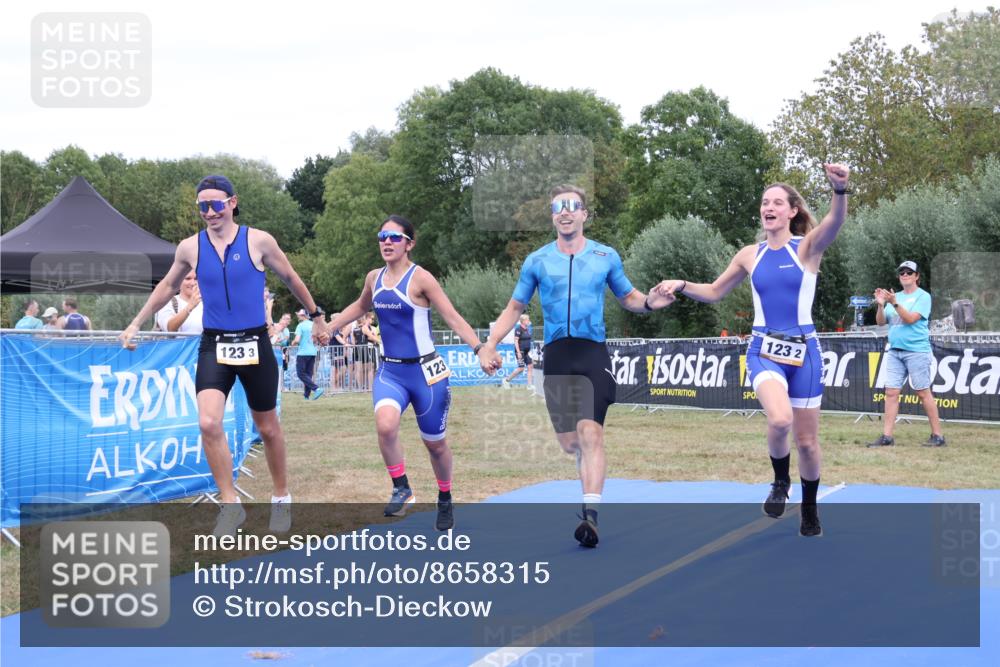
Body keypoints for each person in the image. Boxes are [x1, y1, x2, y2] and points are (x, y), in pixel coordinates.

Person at [120, 174, 329, 537]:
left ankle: (281, 498)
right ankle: (231, 505)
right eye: (203, 206)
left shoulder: (259, 240)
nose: (210, 212)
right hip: (214, 343)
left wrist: (316, 315)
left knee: (267, 428)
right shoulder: (190, 247)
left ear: (232, 203)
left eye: (216, 204)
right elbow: (168, 285)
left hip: (254, 342)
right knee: (208, 423)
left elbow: (292, 278)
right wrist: (136, 322)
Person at [655, 164, 851, 537]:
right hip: (763, 348)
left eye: (777, 202)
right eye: (764, 202)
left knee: (808, 444)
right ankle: (780, 482)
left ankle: (809, 507)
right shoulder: (750, 254)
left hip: (805, 353)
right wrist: (680, 284)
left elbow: (833, 223)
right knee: (780, 420)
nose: (769, 207)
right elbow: (714, 292)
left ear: (792, 211)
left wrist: (839, 190)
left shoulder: (806, 248)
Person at [481, 185, 676, 548]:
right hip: (556, 357)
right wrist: (490, 344)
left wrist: (650, 302)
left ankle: (591, 517)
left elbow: (629, 298)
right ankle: (585, 476)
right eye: (558, 207)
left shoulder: (606, 256)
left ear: (585, 214)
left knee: (591, 434)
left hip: (591, 354)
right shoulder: (537, 261)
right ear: (553, 215)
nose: (565, 212)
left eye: (573, 206)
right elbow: (514, 308)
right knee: (571, 443)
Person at [325, 215, 490, 531]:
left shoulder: (422, 279)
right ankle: (402, 486)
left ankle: (444, 497)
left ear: (409, 244)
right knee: (385, 425)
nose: (386, 242)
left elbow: (452, 317)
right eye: (382, 236)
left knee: (435, 444)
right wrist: (331, 325)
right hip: (391, 372)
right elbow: (360, 307)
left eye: (394, 237)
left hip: (426, 373)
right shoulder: (374, 278)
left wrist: (479, 349)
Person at [867, 261, 945, 447]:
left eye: (909, 272)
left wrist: (894, 303)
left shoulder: (923, 297)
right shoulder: (897, 296)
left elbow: (910, 319)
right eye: (902, 272)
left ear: (917, 276)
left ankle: (938, 436)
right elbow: (880, 323)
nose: (905, 274)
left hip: (917, 351)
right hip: (895, 351)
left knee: (923, 393)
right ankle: (887, 437)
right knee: (891, 392)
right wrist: (880, 305)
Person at [292, 309, 324, 400]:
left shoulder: (300, 325)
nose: (298, 316)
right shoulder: (313, 324)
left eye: (299, 315)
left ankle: (316, 389)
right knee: (308, 374)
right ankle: (306, 396)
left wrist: (293, 342)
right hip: (313, 352)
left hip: (303, 353)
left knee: (300, 374)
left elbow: (297, 340)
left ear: (303, 315)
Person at [502, 313, 535, 390]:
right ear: (523, 321)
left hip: (527, 352)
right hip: (520, 351)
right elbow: (516, 341)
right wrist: (518, 352)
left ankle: (529, 386)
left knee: (530, 366)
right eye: (527, 319)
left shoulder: (527, 329)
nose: (529, 321)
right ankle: (506, 380)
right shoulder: (518, 329)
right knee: (521, 368)